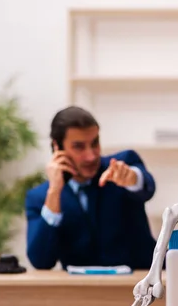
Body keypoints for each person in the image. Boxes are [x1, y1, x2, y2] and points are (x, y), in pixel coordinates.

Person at [25, 106, 157, 270]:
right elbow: (40, 261)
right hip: (81, 292)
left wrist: (132, 178)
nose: (91, 155)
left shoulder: (122, 165)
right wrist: (54, 192)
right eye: (79, 146)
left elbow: (147, 187)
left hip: (141, 284)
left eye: (95, 143)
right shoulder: (40, 197)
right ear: (57, 147)